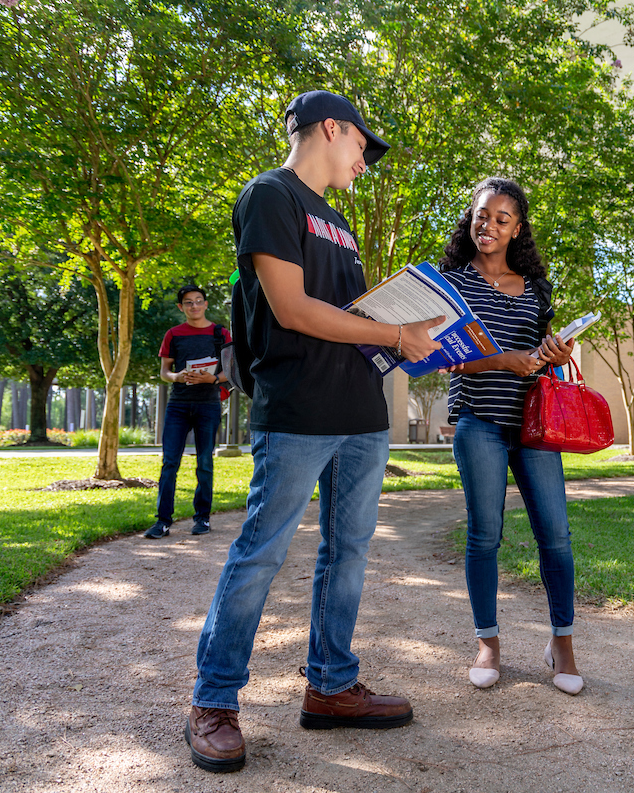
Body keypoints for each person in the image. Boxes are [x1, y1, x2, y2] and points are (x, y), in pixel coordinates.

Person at [185, 90, 444, 774]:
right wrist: (395, 331)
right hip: (298, 407)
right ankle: (213, 701)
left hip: (361, 410)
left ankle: (330, 687)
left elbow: (343, 316)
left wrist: (401, 328)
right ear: (331, 128)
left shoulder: (340, 222)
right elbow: (294, 310)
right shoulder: (271, 194)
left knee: (349, 553)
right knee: (261, 552)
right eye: (363, 145)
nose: (366, 160)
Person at [439, 177, 583, 695]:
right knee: (485, 535)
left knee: (557, 537)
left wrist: (554, 352)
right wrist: (502, 359)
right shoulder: (449, 282)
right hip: (480, 422)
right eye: (482, 215)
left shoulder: (537, 287)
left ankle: (561, 642)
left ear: (517, 228)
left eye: (502, 218)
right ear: (471, 218)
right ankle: (488, 643)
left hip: (534, 425)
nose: (489, 225)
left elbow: (538, 352)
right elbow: (442, 356)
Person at [145, 284, 229, 539]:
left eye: (199, 301)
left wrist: (213, 380)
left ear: (205, 304)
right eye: (189, 303)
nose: (194, 306)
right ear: (181, 307)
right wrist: (178, 377)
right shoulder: (173, 334)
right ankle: (162, 522)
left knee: (205, 461)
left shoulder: (220, 333)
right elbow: (164, 372)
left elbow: (232, 371)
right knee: (170, 462)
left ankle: (202, 519)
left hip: (208, 405)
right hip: (178, 405)